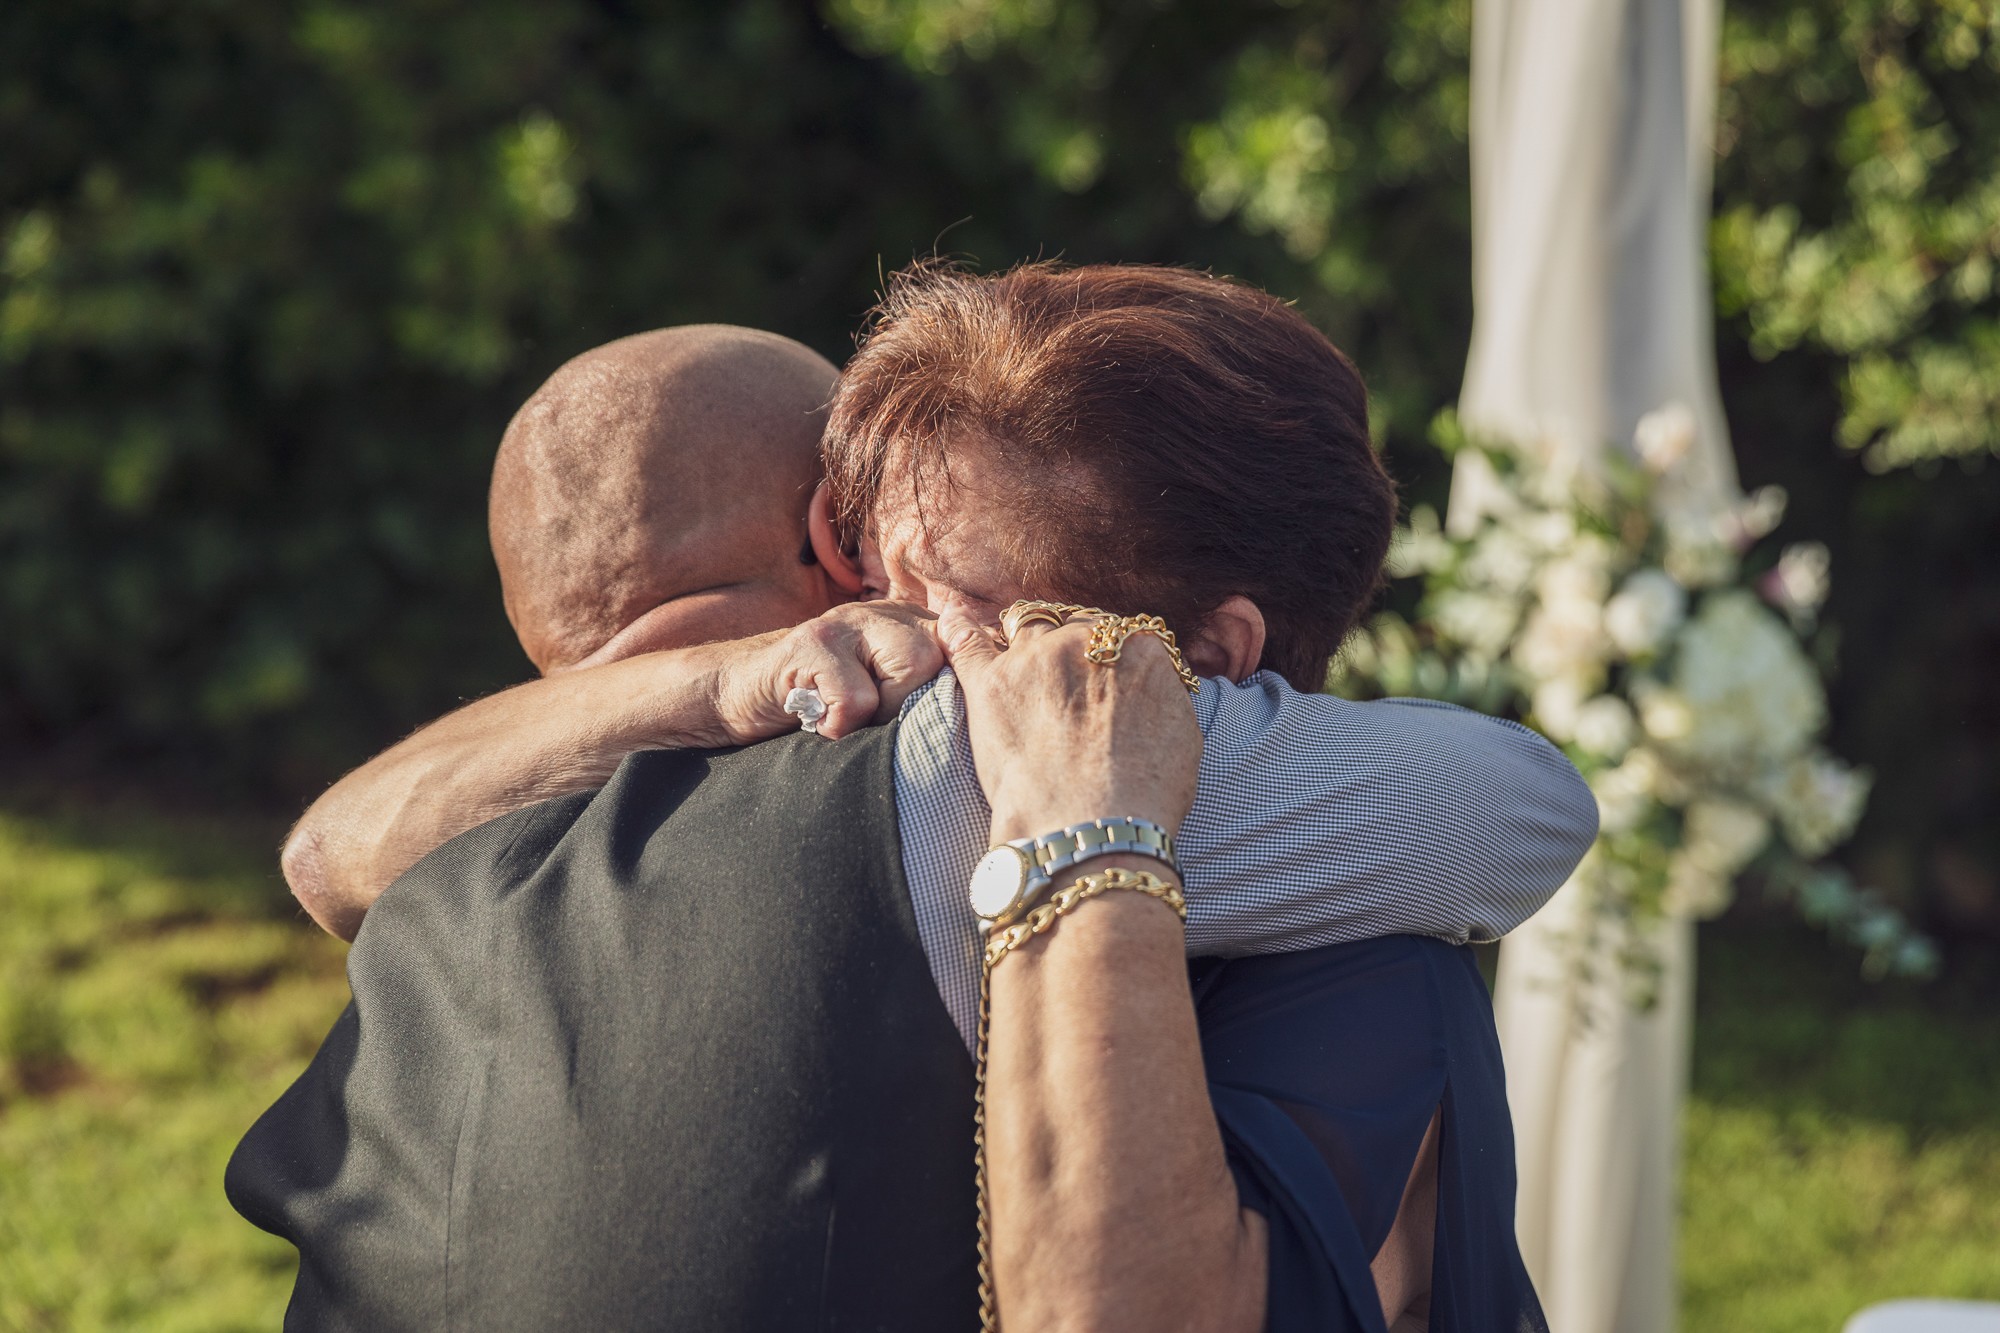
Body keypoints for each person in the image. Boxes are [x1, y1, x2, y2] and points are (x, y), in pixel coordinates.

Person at [231, 263, 1588, 1329]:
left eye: (976, 610)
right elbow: (1523, 803)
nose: (943, 642)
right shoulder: (950, 758)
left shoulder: (442, 868)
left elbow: (325, 852)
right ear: (837, 532)